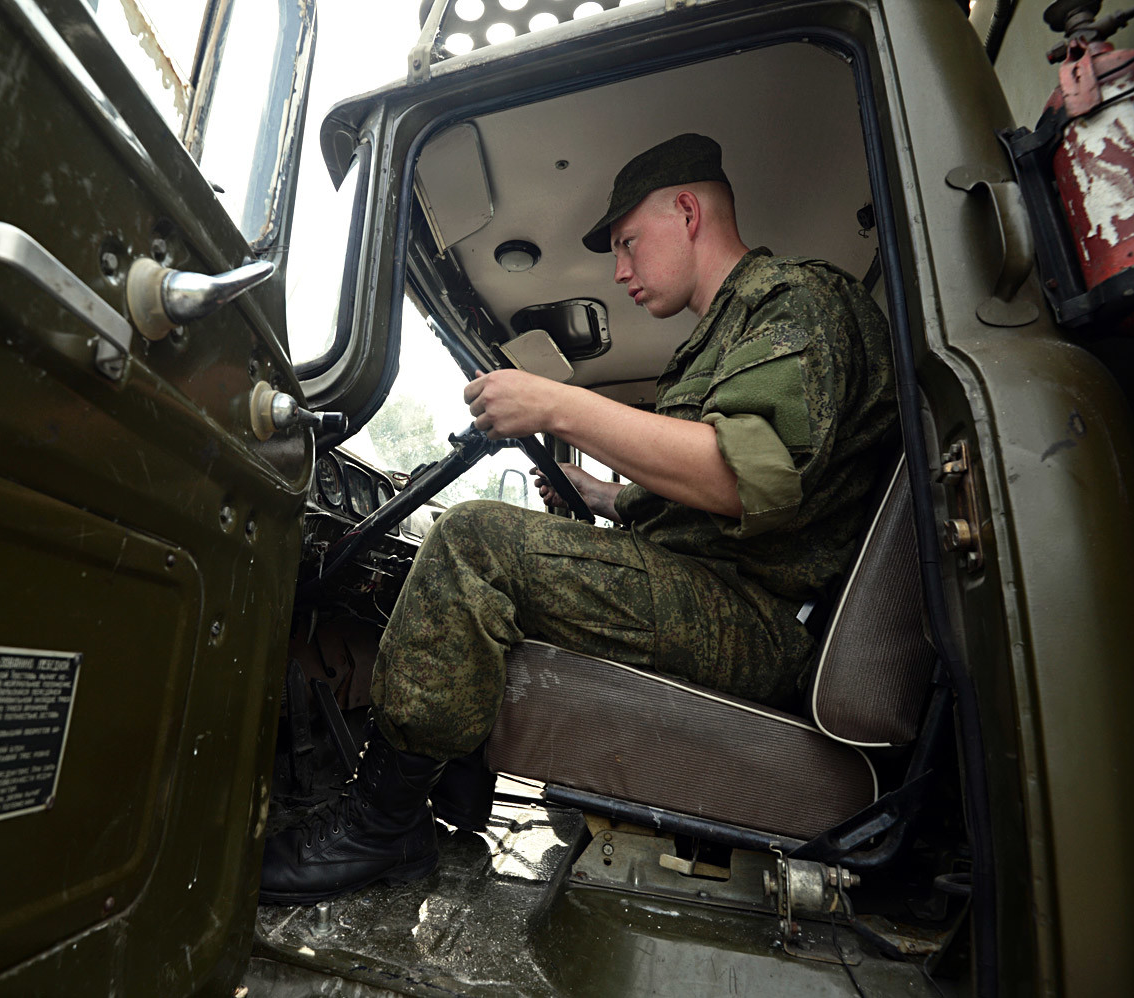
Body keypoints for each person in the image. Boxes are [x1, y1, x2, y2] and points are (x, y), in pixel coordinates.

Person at [260, 133, 897, 905]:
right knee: (490, 548)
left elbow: (743, 476)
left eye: (628, 243)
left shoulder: (796, 301)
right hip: (724, 591)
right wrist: (597, 493)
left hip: (758, 620)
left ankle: (381, 825)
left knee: (472, 543)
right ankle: (455, 789)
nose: (620, 270)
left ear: (688, 211)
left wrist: (558, 402)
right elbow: (694, 495)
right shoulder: (725, 332)